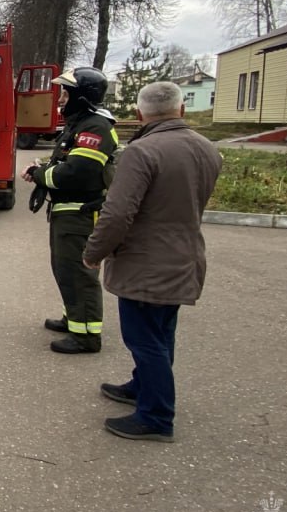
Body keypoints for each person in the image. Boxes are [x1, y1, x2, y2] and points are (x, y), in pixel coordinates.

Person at [82, 81, 223, 443]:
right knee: (161, 333)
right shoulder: (208, 150)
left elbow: (116, 214)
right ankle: (142, 386)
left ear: (141, 114)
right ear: (182, 111)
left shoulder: (142, 152)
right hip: (185, 259)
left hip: (146, 264)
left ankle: (156, 416)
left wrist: (94, 253)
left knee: (145, 340)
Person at [21, 67, 118, 354]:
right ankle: (74, 318)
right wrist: (42, 171)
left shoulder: (95, 127)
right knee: (65, 269)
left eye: (66, 92)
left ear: (82, 96)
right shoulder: (81, 124)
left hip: (80, 213)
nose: (61, 98)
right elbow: (66, 165)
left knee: (78, 272)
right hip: (68, 211)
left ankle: (87, 336)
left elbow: (77, 173)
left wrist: (39, 175)